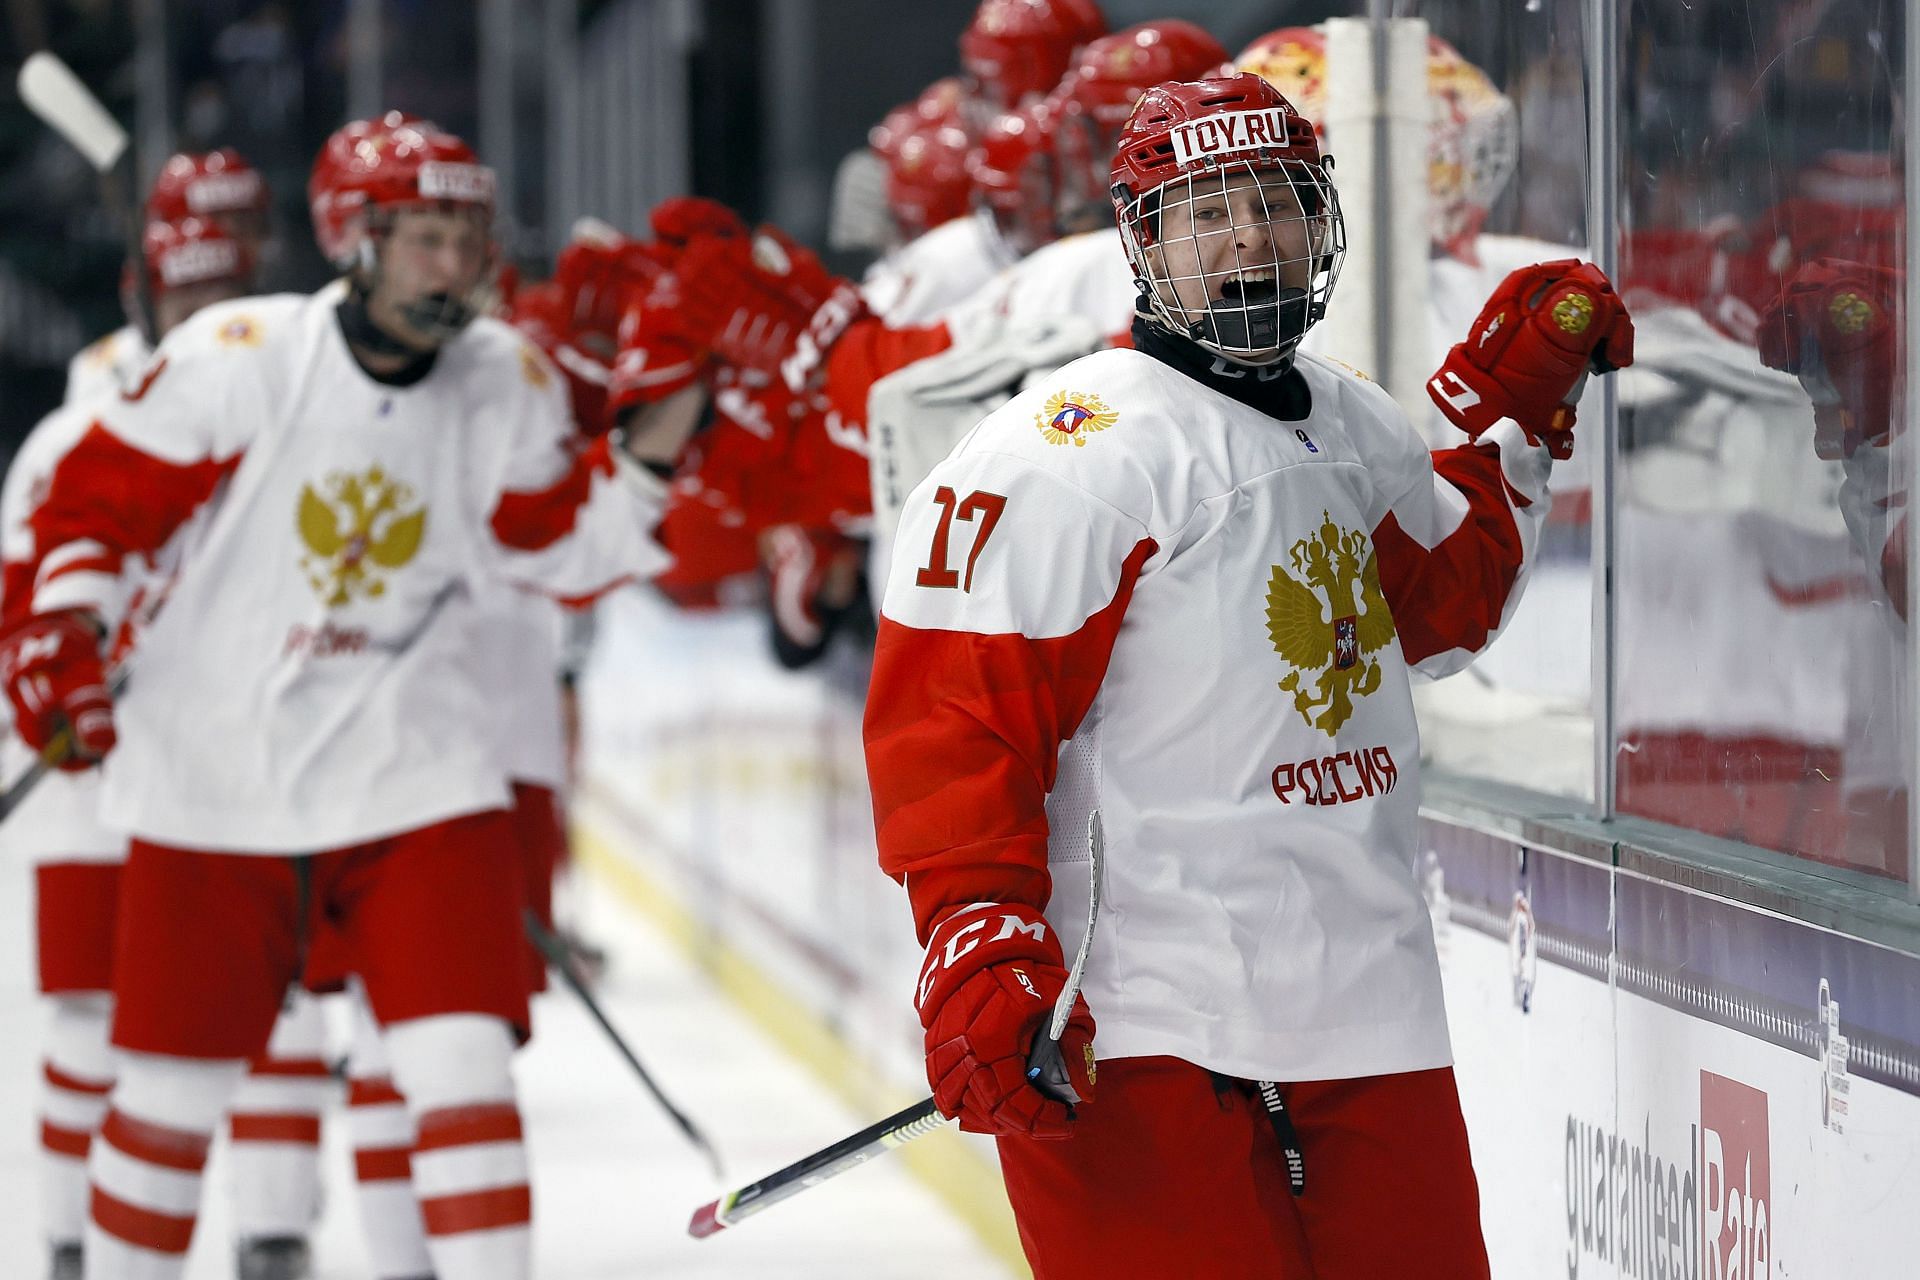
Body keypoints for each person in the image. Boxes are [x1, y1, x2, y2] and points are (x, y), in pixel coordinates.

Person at [861, 73, 1632, 1277]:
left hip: (1364, 999)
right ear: (1145, 241)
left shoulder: (1354, 422)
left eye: (1272, 204)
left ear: (1318, 221)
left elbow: (1442, 611)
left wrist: (1513, 410)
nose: (1245, 239)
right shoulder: (1062, 455)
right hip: (1142, 1022)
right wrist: (975, 925)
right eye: (1204, 212)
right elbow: (956, 718)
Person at [0, 114, 674, 1280]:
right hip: (215, 781)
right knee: (165, 1094)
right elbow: (95, 506)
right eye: (422, 238)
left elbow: (556, 540)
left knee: (462, 1061)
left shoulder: (499, 376)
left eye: (466, 237)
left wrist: (670, 421)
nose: (452, 266)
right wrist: (62, 632)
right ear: (353, 238)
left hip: (413, 776)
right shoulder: (238, 352)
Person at [2, 216, 256, 1280]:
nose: (199, 319)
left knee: (252, 1016)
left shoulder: (270, 409)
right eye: (181, 298)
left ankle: (275, 1226)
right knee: (86, 1015)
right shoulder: (70, 438)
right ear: (142, 296)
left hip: (209, 771)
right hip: (87, 777)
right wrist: (52, 687)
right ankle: (66, 1241)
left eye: (218, 295)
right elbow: (23, 604)